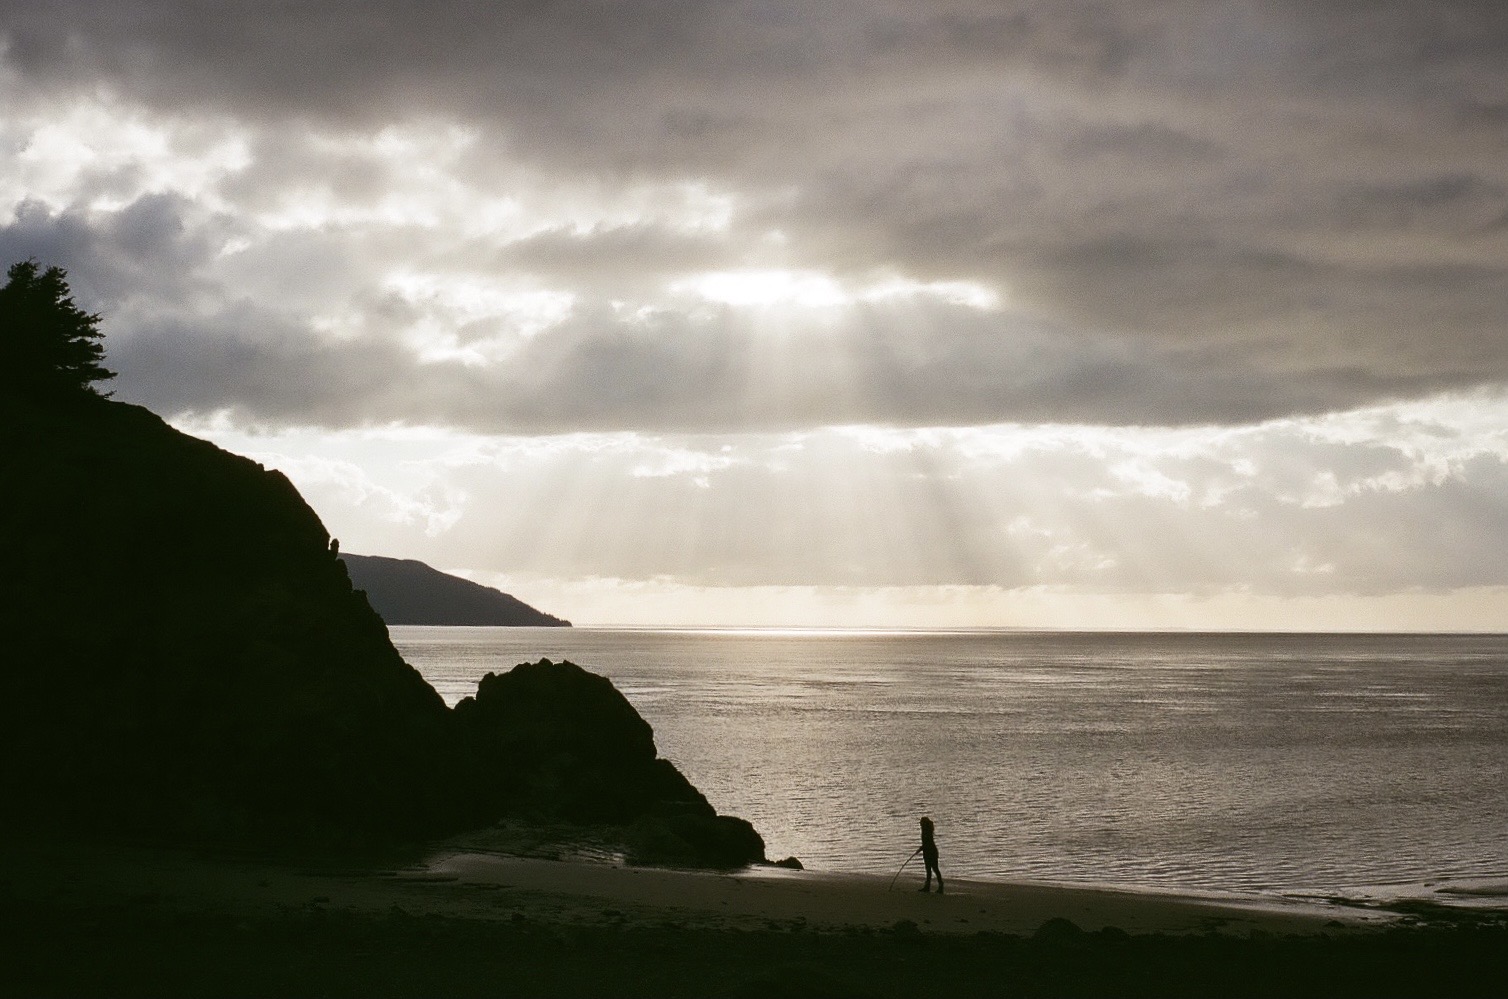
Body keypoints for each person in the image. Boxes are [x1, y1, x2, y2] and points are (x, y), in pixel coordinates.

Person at [918, 816, 943, 894]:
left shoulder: (927, 831)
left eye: (921, 822)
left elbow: (927, 843)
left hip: (930, 852)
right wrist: (922, 848)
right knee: (929, 869)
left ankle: (940, 886)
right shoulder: (926, 830)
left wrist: (921, 848)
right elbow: (926, 843)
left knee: (934, 869)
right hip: (928, 851)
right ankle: (928, 886)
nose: (920, 824)